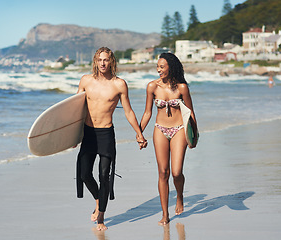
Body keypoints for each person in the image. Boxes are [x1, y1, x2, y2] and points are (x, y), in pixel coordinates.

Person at [76, 47, 147, 231]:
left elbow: (128, 111)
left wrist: (139, 133)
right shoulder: (86, 80)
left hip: (106, 134)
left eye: (106, 60)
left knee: (104, 177)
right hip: (88, 133)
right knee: (84, 174)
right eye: (99, 60)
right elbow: (75, 110)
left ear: (112, 61)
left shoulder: (119, 84)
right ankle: (99, 200)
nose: (102, 63)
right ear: (95, 61)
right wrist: (71, 135)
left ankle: (101, 217)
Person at [139, 53, 197, 225]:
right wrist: (139, 132)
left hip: (179, 129)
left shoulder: (182, 88)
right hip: (160, 129)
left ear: (171, 66)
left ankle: (179, 196)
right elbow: (148, 112)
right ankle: (165, 214)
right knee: (163, 172)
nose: (159, 69)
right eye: (157, 66)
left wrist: (193, 135)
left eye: (162, 66)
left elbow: (191, 112)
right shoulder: (152, 87)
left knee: (176, 172)